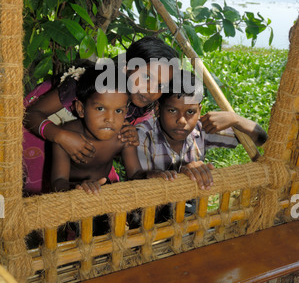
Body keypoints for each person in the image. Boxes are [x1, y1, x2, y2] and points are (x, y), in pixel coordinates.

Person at [23, 36, 178, 194]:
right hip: (38, 137)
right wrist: (61, 136)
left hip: (85, 163)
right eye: (146, 77)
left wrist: (131, 137)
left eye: (160, 85)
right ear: (125, 67)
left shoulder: (141, 107)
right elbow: (30, 115)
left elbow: (114, 148)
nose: (151, 90)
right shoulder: (83, 86)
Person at [136, 70, 268, 190]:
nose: (182, 121)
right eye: (172, 110)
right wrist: (179, 177)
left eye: (190, 112)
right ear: (158, 109)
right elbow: (137, 180)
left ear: (199, 111)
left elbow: (260, 139)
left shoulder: (202, 130)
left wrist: (236, 119)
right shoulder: (144, 135)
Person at [50, 65, 142, 194]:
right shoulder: (66, 137)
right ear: (81, 109)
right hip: (71, 199)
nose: (110, 119)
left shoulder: (124, 135)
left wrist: (152, 175)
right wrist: (79, 188)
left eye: (118, 111)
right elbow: (58, 182)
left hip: (104, 196)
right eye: (100, 109)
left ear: (126, 112)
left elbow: (136, 173)